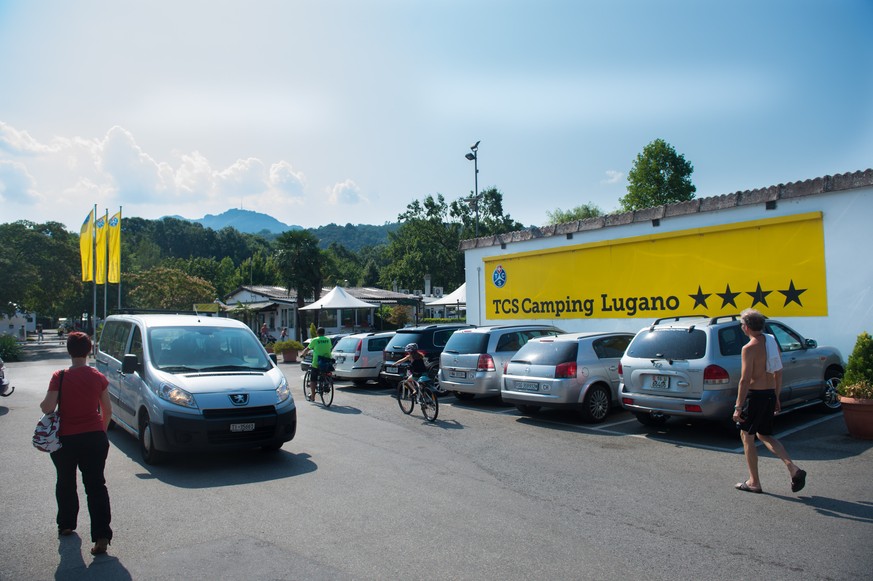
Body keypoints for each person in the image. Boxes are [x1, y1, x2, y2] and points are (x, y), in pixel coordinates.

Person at [39, 332, 113, 555]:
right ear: (90, 350)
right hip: (94, 438)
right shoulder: (98, 376)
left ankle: (67, 524)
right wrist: (101, 432)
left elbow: (47, 407)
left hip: (65, 440)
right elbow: (107, 410)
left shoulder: (59, 376)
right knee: (96, 486)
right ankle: (101, 536)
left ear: (68, 351)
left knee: (65, 481)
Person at [733, 309, 806, 494]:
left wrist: (738, 407)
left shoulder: (748, 348)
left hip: (755, 396)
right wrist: (776, 396)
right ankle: (793, 468)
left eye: (742, 324)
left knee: (747, 437)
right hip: (769, 394)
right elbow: (778, 372)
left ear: (747, 327)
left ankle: (754, 482)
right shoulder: (771, 341)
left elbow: (744, 379)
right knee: (764, 434)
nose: (742, 327)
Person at [301, 327, 332, 402]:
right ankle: (326, 383)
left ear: (317, 333)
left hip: (317, 362)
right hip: (327, 361)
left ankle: (313, 396)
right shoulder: (328, 339)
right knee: (326, 373)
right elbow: (329, 347)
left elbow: (307, 349)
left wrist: (302, 354)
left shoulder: (315, 340)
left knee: (313, 379)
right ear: (324, 333)